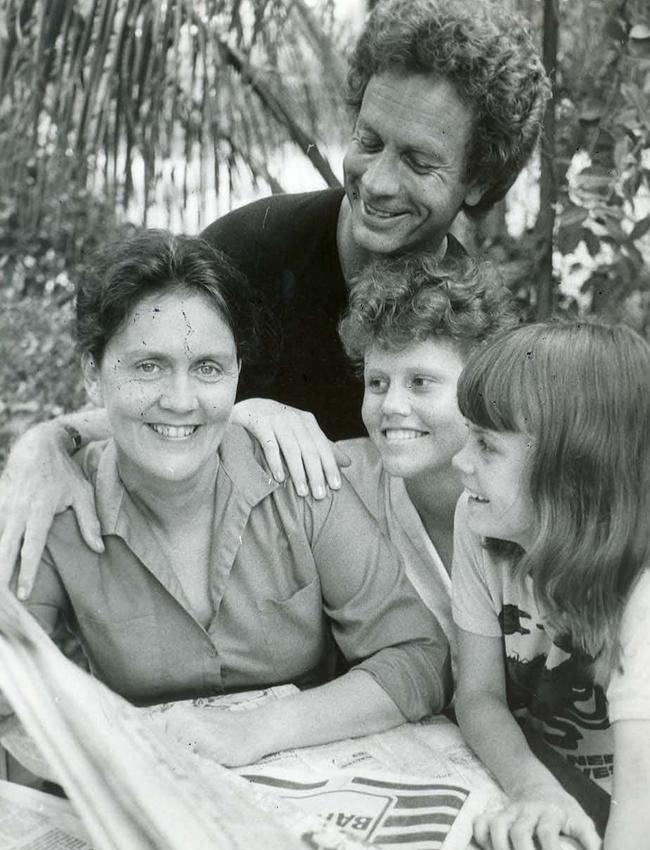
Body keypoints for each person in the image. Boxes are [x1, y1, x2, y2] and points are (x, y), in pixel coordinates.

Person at [0, 0, 550, 596]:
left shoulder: (477, 327)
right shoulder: (249, 251)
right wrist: (49, 442)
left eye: (419, 162)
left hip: (396, 620)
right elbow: (147, 400)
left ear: (481, 181)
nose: (379, 181)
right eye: (368, 141)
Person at [8, 229, 451, 767]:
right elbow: (12, 692)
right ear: (93, 374)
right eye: (148, 366)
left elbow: (417, 657)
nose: (180, 400)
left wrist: (253, 731)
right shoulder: (58, 503)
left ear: (239, 373)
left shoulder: (298, 476)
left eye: (208, 368)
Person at [450, 321, 650, 850]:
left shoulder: (642, 575)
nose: (459, 461)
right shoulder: (478, 523)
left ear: (572, 469)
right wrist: (534, 787)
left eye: (486, 444)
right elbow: (476, 694)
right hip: (568, 791)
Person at [338, 251, 515, 662]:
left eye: (419, 382)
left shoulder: (523, 492)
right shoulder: (347, 478)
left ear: (480, 384)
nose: (391, 405)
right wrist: (256, 412)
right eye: (377, 382)